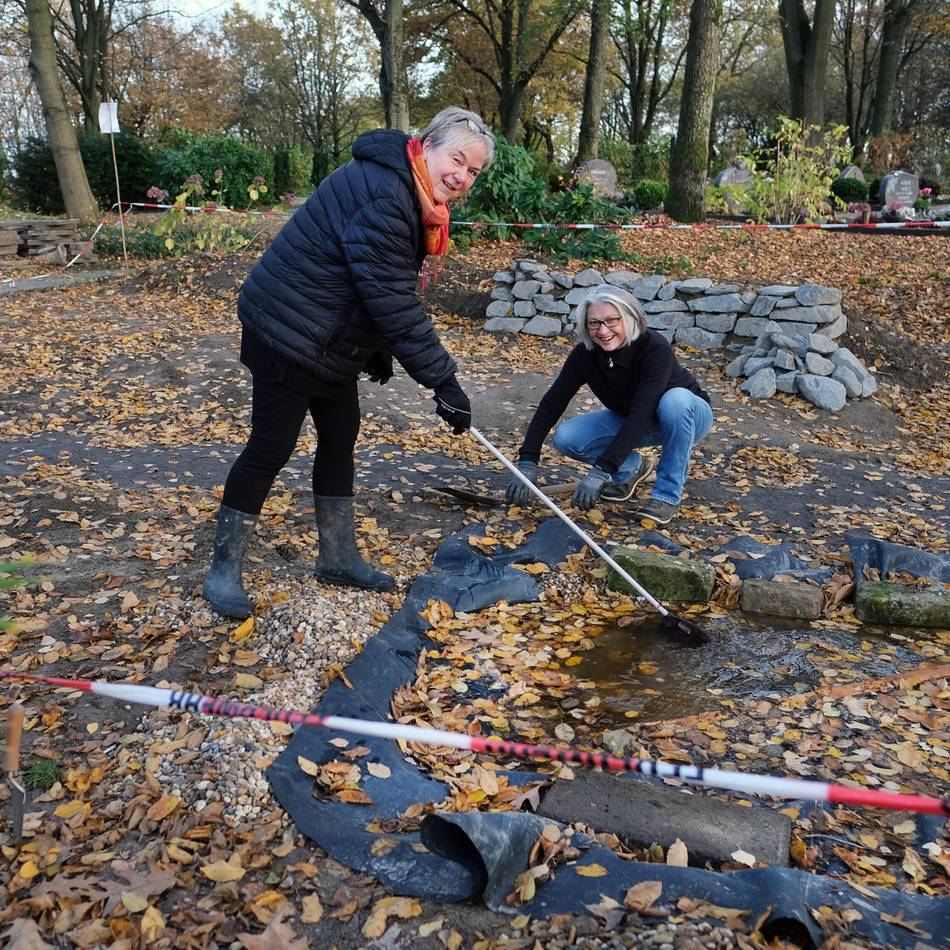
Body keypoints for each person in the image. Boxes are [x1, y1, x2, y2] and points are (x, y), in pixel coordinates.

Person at [204, 107, 495, 618]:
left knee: (340, 438)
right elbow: (388, 294)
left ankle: (337, 557)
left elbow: (367, 280)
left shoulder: (406, 188)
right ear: (425, 146)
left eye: (473, 171)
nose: (462, 176)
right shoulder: (387, 192)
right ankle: (223, 571)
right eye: (457, 160)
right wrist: (442, 380)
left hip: (328, 336)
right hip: (286, 330)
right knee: (270, 447)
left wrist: (377, 349)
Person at [506, 284, 712, 525]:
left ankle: (666, 496)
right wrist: (527, 461)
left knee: (674, 400)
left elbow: (642, 413)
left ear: (629, 318)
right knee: (567, 437)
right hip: (632, 418)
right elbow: (553, 403)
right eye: (594, 323)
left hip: (687, 416)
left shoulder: (654, 347)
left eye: (612, 321)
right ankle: (631, 469)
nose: (603, 330)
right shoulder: (585, 354)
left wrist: (601, 469)